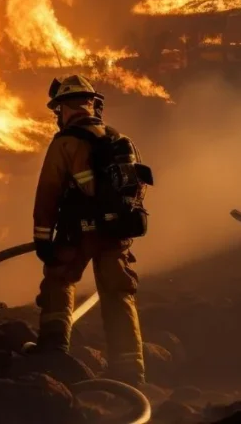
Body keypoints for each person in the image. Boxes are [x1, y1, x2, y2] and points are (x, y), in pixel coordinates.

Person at [32, 74, 152, 386]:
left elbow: (48, 192)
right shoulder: (119, 138)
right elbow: (136, 188)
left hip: (78, 233)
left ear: (62, 109)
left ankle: (54, 353)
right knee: (118, 293)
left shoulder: (65, 142)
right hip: (115, 234)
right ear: (92, 104)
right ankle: (130, 370)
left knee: (59, 280)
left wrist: (42, 238)